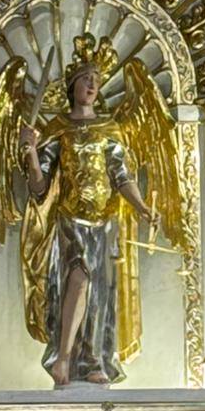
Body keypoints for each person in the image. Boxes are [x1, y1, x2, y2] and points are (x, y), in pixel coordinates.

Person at [20, 58, 158, 388]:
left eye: (96, 79)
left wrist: (141, 207)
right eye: (85, 78)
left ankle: (93, 360)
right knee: (79, 280)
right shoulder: (58, 128)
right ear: (73, 86)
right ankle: (63, 357)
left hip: (105, 222)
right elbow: (39, 187)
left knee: (99, 295)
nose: (93, 84)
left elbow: (122, 176)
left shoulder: (110, 128)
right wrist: (32, 153)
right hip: (70, 220)